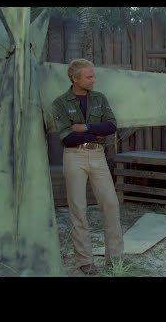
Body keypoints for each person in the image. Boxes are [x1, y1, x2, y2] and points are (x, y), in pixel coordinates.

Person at [52, 58, 124, 275]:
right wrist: (96, 130)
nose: (93, 79)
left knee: (111, 204)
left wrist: (85, 127)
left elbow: (111, 125)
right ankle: (85, 261)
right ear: (75, 79)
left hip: (98, 155)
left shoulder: (100, 99)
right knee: (78, 209)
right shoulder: (60, 103)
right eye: (89, 76)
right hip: (74, 157)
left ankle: (115, 258)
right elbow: (67, 138)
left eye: (93, 75)